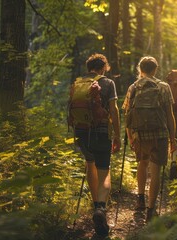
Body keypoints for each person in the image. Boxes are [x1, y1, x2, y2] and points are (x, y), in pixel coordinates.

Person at [123, 56, 177, 222]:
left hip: (139, 135)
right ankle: (151, 210)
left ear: (140, 69)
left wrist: (130, 136)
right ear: (155, 69)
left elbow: (127, 114)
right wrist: (173, 139)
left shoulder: (133, 87)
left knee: (142, 164)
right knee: (155, 172)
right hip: (159, 135)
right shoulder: (164, 87)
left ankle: (140, 198)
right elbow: (170, 115)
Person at [72, 54, 121, 236]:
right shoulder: (108, 83)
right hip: (101, 133)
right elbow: (114, 110)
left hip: (81, 133)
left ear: (89, 67)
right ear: (103, 67)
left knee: (89, 164)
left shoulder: (78, 83)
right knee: (104, 170)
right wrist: (117, 134)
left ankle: (95, 207)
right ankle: (100, 207)